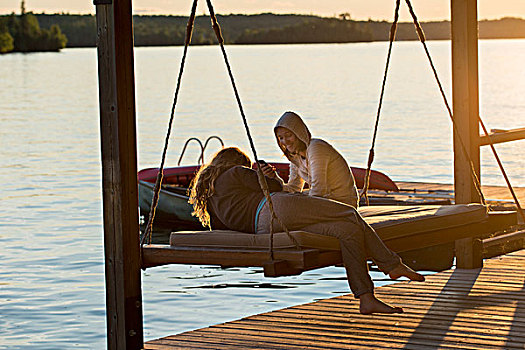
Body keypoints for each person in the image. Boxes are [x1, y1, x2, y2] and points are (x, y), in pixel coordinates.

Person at [189, 147, 424, 315]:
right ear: (235, 162)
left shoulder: (209, 195)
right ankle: (392, 264)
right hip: (276, 209)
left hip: (263, 228)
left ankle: (366, 298)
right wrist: (268, 176)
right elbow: (272, 188)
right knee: (349, 213)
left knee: (346, 230)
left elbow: (223, 226)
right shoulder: (235, 172)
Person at [260, 111, 359, 207]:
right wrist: (274, 177)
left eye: (288, 135)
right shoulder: (295, 157)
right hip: (325, 201)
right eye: (280, 137)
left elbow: (318, 190)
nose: (285, 141)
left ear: (298, 133)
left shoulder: (316, 147)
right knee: (279, 200)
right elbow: (294, 189)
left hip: (343, 203)